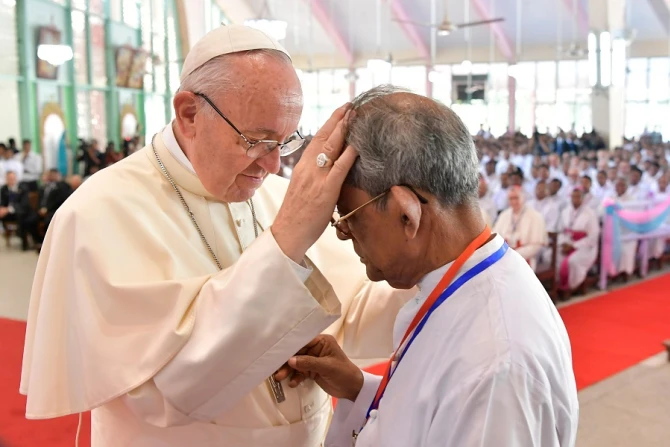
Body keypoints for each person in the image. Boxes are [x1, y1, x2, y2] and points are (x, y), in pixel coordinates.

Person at [20, 25, 413, 447]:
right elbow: (167, 392)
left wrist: (428, 261)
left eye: (286, 141)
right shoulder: (99, 213)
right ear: (190, 113)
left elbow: (351, 312)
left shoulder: (280, 196)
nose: (272, 165)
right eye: (258, 140)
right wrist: (285, 241)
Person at [277, 86, 578, 447]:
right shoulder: (469, 280)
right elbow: (432, 416)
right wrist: (356, 388)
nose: (343, 235)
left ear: (408, 213)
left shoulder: (495, 362)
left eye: (348, 217)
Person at [556, 188, 600, 298]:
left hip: (584, 246)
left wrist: (574, 245)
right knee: (554, 256)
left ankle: (571, 287)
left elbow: (593, 237)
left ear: (582, 198)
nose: (575, 199)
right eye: (573, 197)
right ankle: (559, 285)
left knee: (573, 261)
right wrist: (564, 243)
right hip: (567, 243)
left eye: (578, 197)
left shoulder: (590, 214)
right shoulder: (565, 211)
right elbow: (560, 230)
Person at [493, 186, 547, 271]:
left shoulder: (535, 216)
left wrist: (513, 255)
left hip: (525, 258)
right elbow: (495, 238)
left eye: (516, 198)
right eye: (511, 198)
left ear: (523, 198)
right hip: (503, 257)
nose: (514, 201)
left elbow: (536, 246)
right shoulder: (504, 215)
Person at [0, 171, 39, 250]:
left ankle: (25, 240)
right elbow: (2, 202)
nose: (11, 180)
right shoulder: (3, 189)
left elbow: (24, 204)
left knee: (23, 217)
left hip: (22, 211)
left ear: (16, 179)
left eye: (12, 178)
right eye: (9, 179)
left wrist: (8, 209)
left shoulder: (23, 188)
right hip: (8, 214)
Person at [37, 168, 73, 234]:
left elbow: (59, 200)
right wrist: (40, 209)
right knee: (30, 220)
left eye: (53, 175)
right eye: (50, 175)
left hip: (54, 210)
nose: (51, 177)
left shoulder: (62, 186)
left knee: (48, 221)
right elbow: (40, 199)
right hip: (42, 210)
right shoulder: (45, 186)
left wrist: (47, 209)